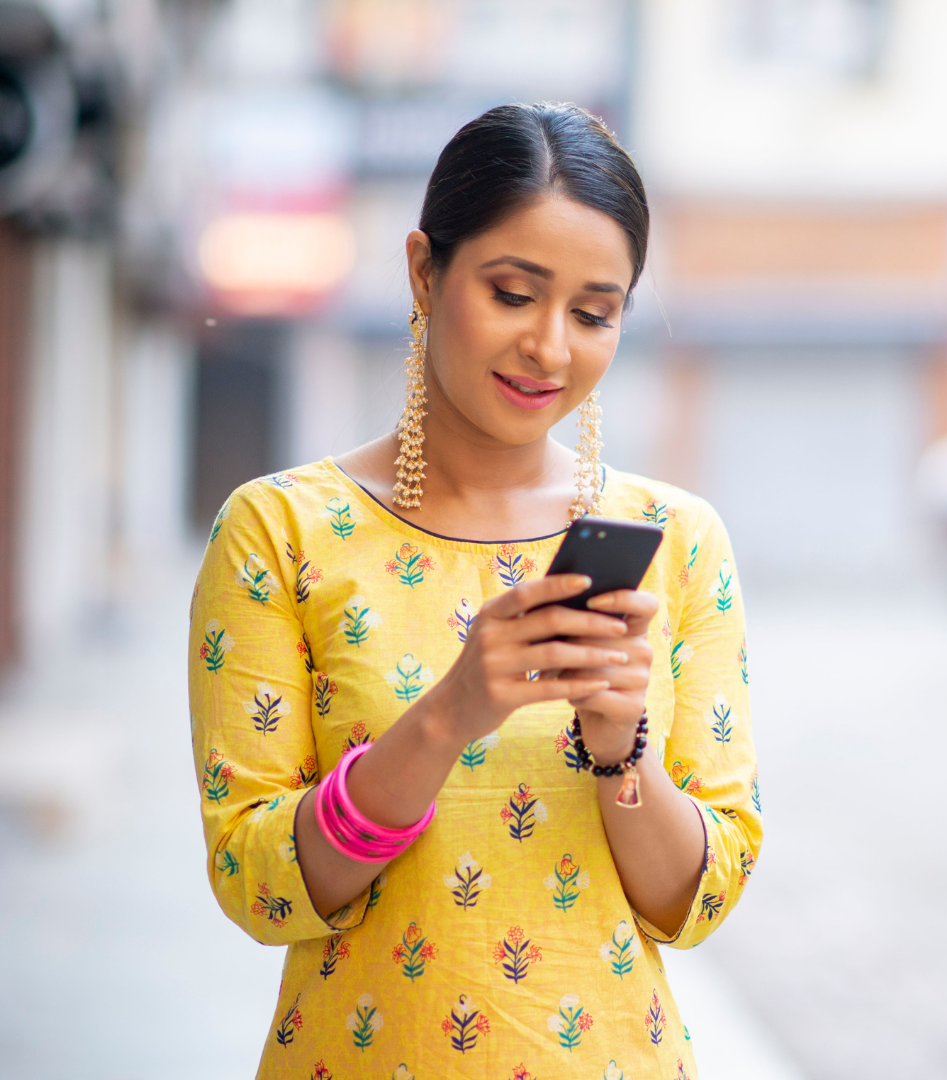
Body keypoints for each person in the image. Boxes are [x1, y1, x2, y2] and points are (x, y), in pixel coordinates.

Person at [189, 102, 761, 1080]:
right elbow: (260, 885)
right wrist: (451, 712)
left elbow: (695, 903)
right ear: (424, 270)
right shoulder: (278, 535)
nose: (549, 346)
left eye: (592, 312)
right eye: (512, 293)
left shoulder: (680, 545)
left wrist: (621, 748)